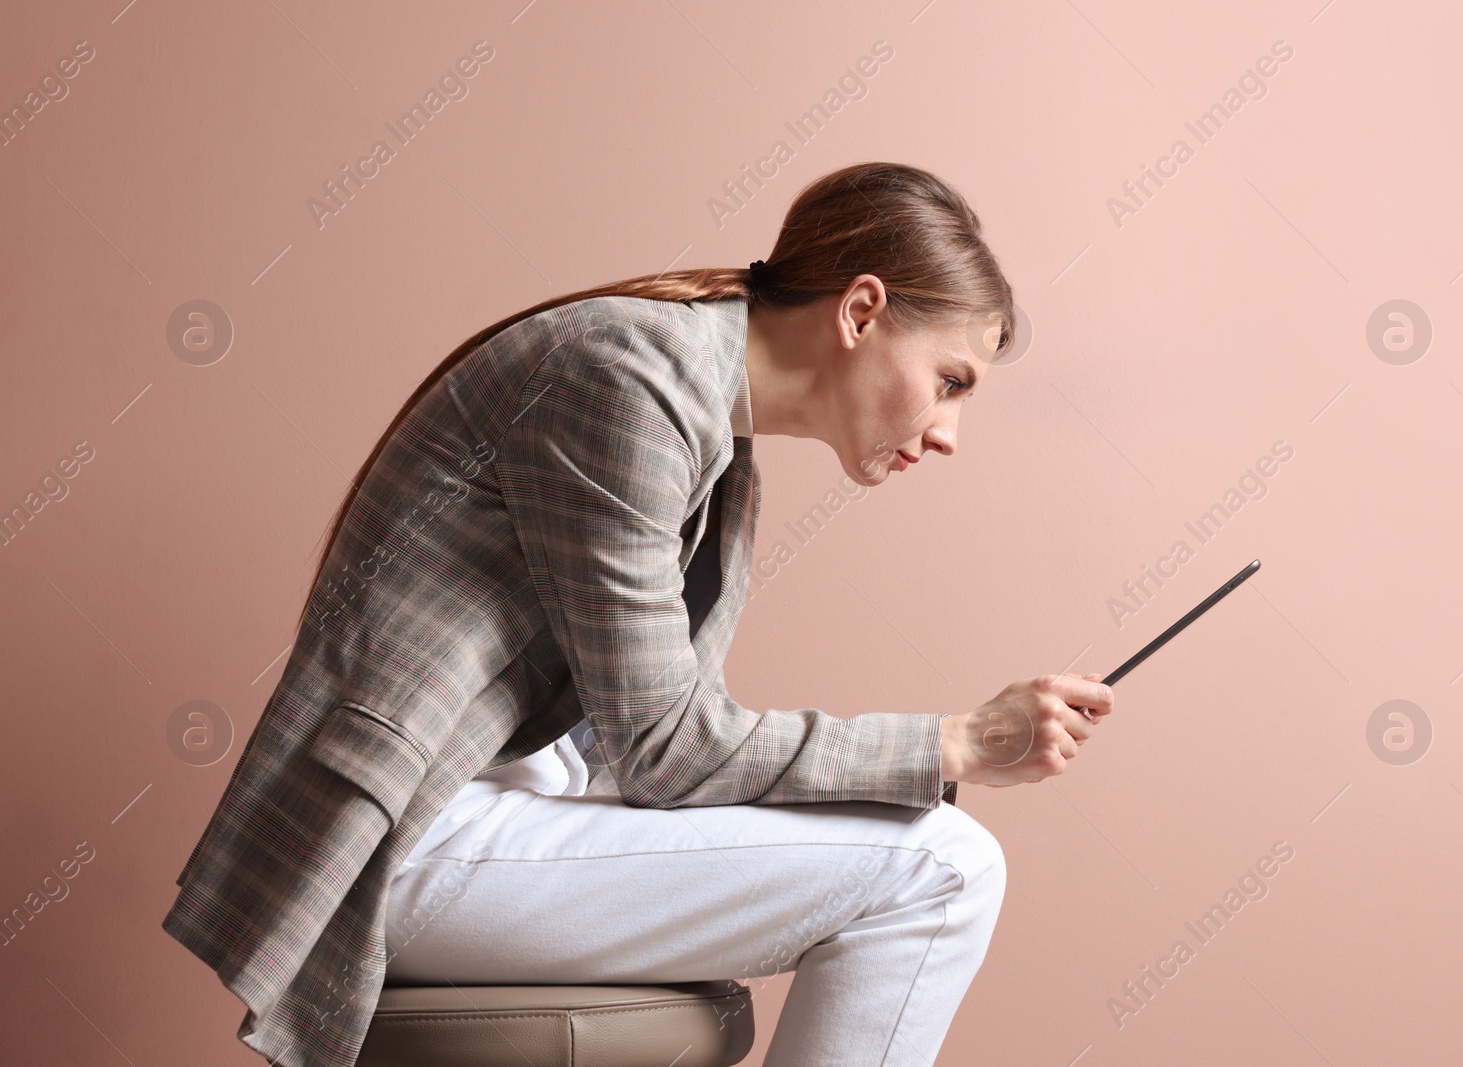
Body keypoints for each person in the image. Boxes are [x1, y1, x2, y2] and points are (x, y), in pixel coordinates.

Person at [161, 161, 1114, 1067]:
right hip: (411, 835)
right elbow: (670, 751)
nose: (949, 434)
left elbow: (648, 750)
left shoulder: (714, 433)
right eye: (951, 382)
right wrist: (954, 743)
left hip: (525, 803)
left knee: (928, 851)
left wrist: (932, 759)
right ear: (861, 310)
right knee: (943, 869)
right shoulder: (627, 377)